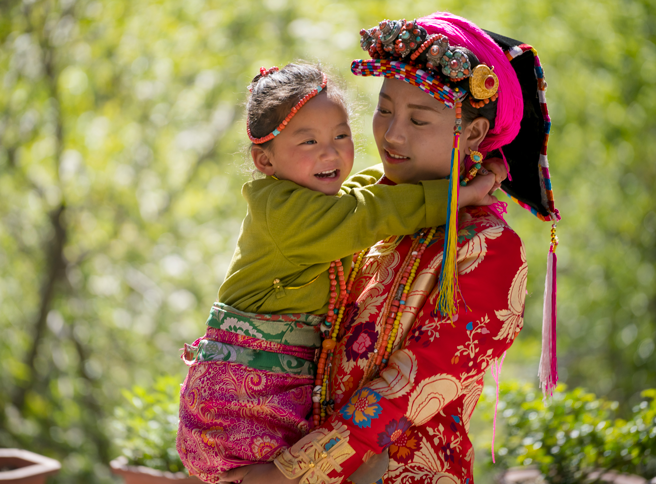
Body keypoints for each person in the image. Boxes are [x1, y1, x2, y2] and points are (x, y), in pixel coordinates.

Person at [220, 12, 561, 484]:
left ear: (476, 135)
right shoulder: (359, 206)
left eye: (418, 119)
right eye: (384, 110)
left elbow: (409, 387)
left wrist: (294, 473)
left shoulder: (488, 248)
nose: (391, 135)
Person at [175, 62, 499, 483]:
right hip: (240, 398)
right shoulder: (285, 210)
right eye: (308, 141)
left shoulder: (326, 200)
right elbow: (370, 210)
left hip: (281, 394)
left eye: (341, 135)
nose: (330, 152)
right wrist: (458, 194)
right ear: (264, 160)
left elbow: (370, 192)